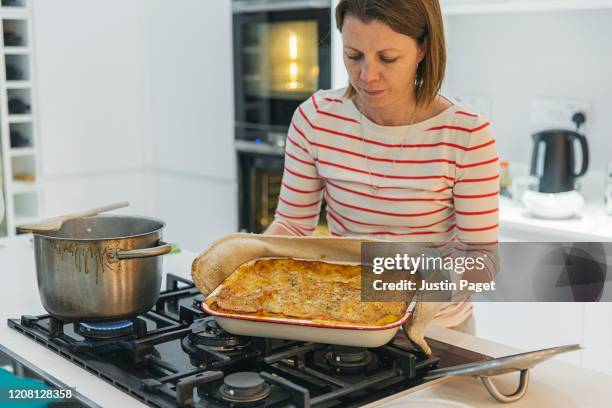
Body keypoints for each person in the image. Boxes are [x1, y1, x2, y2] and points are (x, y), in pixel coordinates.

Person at [264, 0, 499, 335]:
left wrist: (414, 296)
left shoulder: (466, 133)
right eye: (353, 55)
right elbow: (291, 226)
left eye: (388, 58)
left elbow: (482, 256)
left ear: (422, 49)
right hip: (345, 319)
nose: (367, 75)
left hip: (437, 330)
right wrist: (248, 257)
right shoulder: (315, 119)